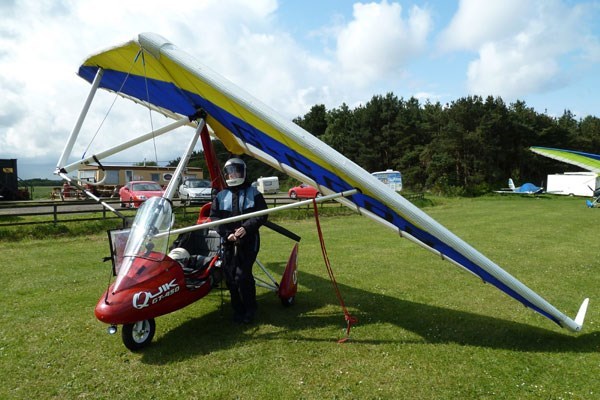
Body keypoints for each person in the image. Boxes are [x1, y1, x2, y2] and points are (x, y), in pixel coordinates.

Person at [210, 157, 268, 324]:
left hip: (249, 241)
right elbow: (214, 218)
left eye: (236, 171)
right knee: (230, 277)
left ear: (243, 172)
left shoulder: (254, 193)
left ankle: (250, 310)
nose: (233, 174)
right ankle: (237, 310)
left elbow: (262, 214)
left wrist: (246, 228)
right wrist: (226, 233)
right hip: (229, 241)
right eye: (230, 172)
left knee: (243, 275)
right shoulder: (221, 196)